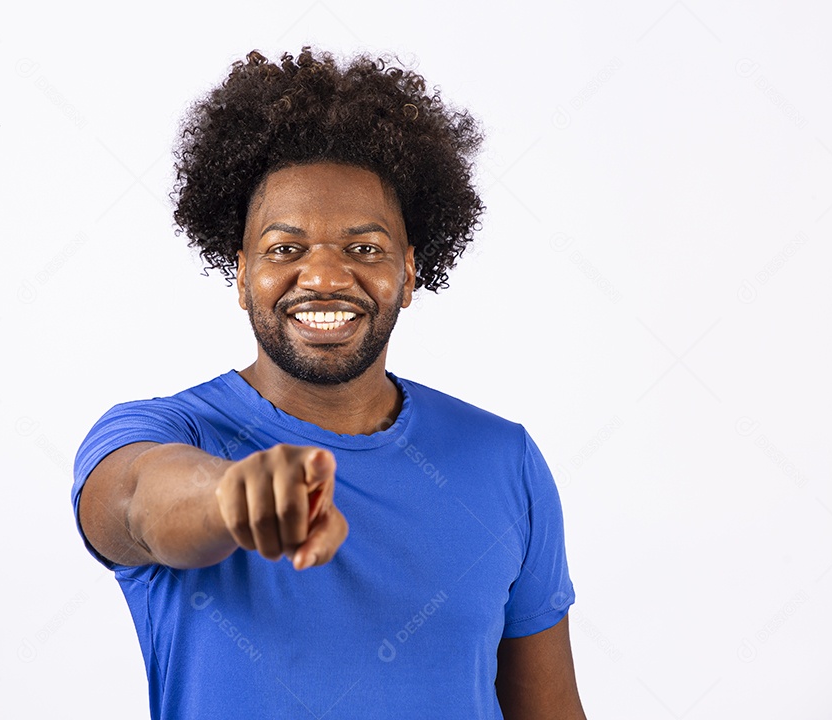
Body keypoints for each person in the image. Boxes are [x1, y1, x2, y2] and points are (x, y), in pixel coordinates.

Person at [72, 47, 587, 719]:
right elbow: (140, 500)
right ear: (240, 274)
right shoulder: (160, 433)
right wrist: (234, 495)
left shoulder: (504, 459)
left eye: (363, 249)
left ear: (407, 273)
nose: (322, 276)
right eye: (286, 249)